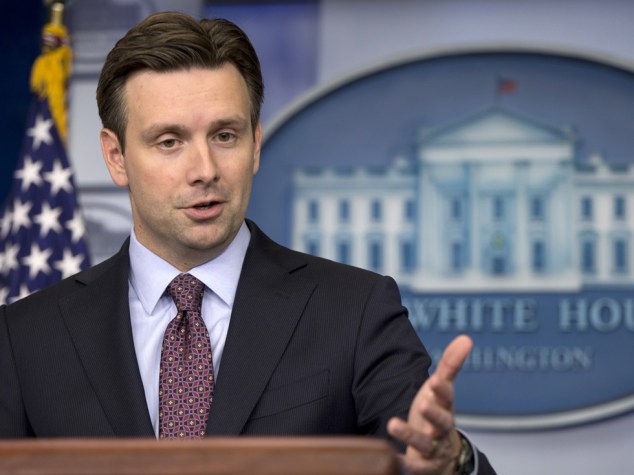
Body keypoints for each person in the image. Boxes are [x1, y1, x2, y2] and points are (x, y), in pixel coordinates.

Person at [0, 11, 495, 475]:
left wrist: (451, 459)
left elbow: (420, 449)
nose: (205, 171)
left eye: (225, 135)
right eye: (169, 141)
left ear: (255, 143)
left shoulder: (356, 310)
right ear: (116, 157)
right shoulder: (24, 339)